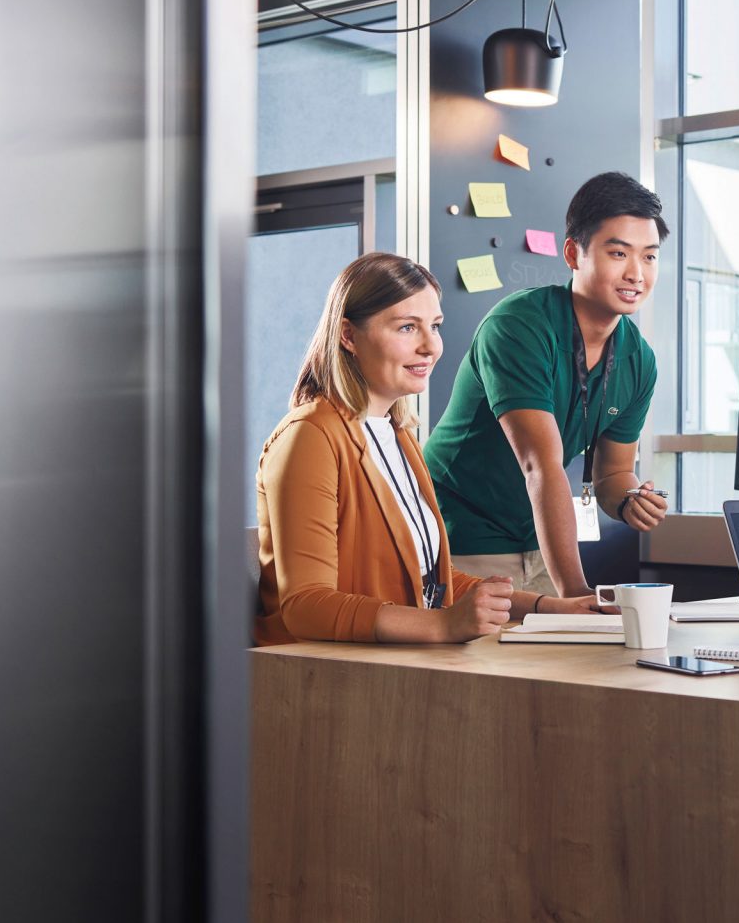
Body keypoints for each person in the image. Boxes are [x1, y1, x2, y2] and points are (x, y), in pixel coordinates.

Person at [255, 252, 597, 647]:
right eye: (406, 328)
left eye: (434, 326)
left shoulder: (398, 435)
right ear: (348, 335)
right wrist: (443, 626)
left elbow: (431, 580)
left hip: (390, 663)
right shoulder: (310, 435)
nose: (429, 347)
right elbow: (306, 605)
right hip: (320, 674)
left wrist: (551, 607)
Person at [424, 172, 670, 601]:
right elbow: (541, 464)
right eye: (618, 253)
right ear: (574, 253)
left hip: (539, 541)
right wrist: (575, 591)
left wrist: (630, 500)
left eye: (649, 257)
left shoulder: (639, 359)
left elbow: (611, 473)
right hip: (459, 536)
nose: (636, 273)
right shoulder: (519, 326)